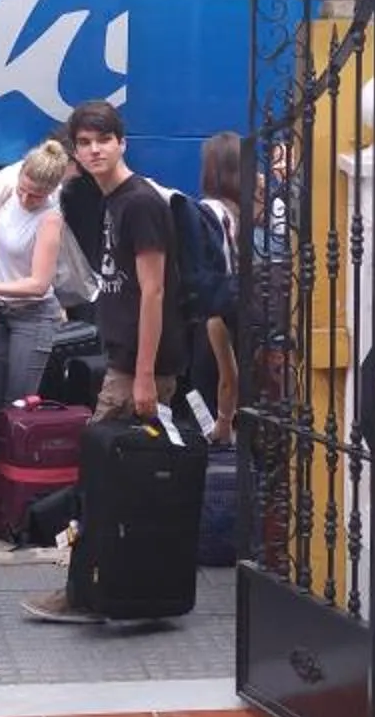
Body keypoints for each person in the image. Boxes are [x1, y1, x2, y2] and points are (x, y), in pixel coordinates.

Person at [23, 100, 186, 624]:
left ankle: (86, 593)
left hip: (136, 368)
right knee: (117, 484)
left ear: (122, 143)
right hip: (124, 360)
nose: (93, 150)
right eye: (85, 143)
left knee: (103, 484)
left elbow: (155, 291)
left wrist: (142, 376)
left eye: (103, 140)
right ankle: (108, 587)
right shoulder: (111, 200)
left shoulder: (139, 203)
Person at [0, 139, 80, 401]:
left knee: (17, 399)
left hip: (34, 315)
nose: (26, 199)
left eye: (36, 196)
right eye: (23, 190)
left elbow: (38, 284)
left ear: (51, 191)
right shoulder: (8, 192)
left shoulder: (50, 219)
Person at [188, 131, 244, 447]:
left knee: (205, 409)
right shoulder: (246, 213)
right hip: (240, 318)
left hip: (212, 320)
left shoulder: (207, 211)